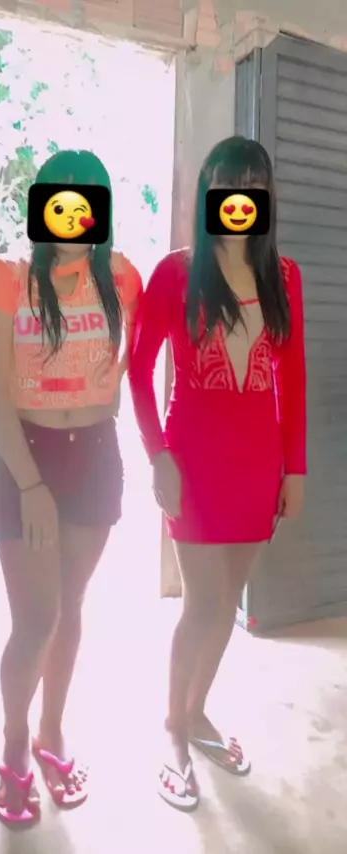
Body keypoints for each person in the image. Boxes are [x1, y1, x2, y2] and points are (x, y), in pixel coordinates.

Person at [128, 136, 306, 811]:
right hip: (193, 465)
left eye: (252, 184)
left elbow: (292, 377)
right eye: (227, 184)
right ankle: (172, 729)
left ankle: (196, 711)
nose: (239, 197)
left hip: (258, 468)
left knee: (225, 606)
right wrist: (158, 456)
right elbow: (138, 371)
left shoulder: (283, 276)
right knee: (201, 605)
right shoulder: (176, 273)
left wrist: (295, 470)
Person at [0, 149, 142, 825]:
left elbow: (137, 356)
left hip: (95, 454)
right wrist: (31, 482)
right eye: (57, 196)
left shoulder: (122, 278)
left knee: (70, 608)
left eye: (84, 197)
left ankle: (51, 731)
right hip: (26, 457)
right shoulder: (4, 279)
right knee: (35, 619)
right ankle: (14, 744)